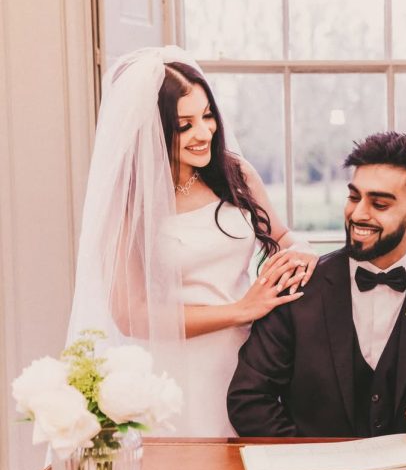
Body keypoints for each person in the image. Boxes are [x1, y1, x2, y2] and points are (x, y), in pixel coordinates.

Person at [67, 46, 317, 437]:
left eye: (207, 116)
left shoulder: (236, 173)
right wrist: (238, 310)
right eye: (185, 125)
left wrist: (301, 249)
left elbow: (282, 236)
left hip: (248, 360)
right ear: (153, 127)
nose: (204, 133)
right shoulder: (131, 201)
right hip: (176, 369)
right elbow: (129, 313)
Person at [227, 132, 406, 448]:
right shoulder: (297, 285)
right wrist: (308, 464)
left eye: (379, 203)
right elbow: (249, 398)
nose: (357, 214)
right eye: (354, 197)